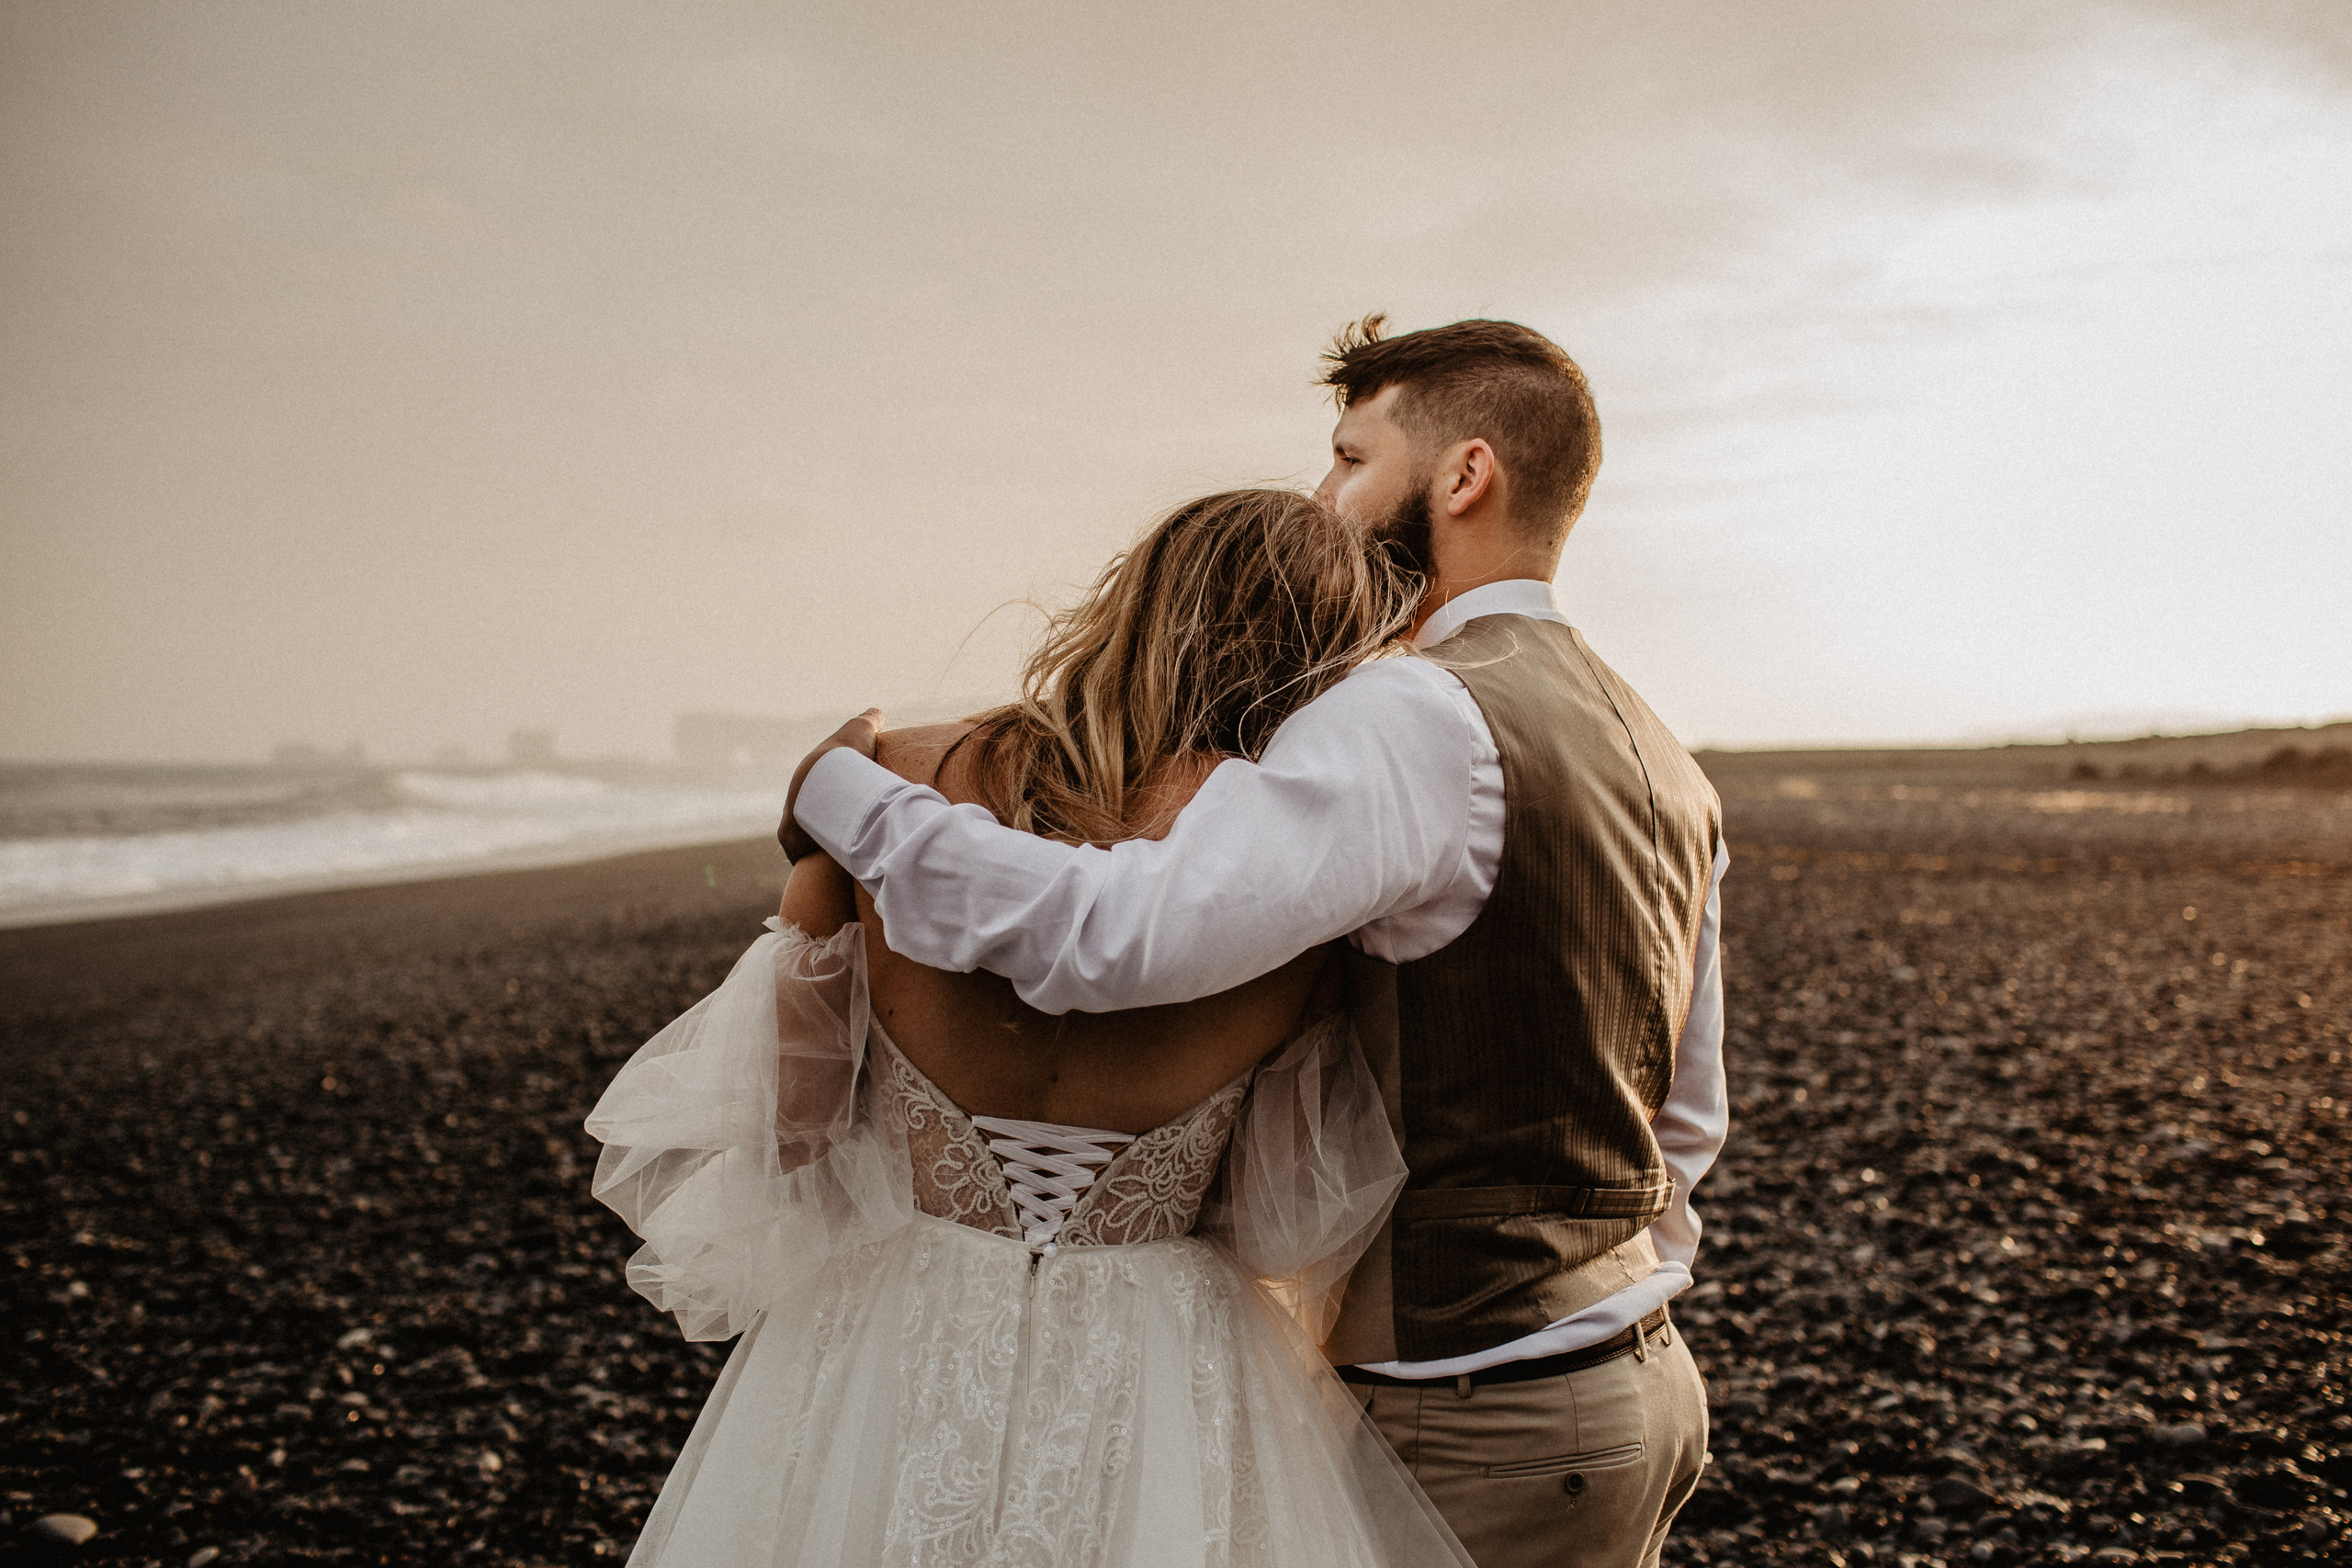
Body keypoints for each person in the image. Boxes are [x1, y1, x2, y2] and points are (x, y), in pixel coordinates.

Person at [784, 316, 1729, 1568]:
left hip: (1478, 1406)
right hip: (1639, 1380)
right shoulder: (1660, 747)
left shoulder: (1414, 711)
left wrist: (843, 799)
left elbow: (1117, 930)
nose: (1326, 497)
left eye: (1352, 457)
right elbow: (1685, 1119)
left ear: (1464, 476)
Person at [585, 489, 1477, 1568]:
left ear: (1134, 598)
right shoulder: (1286, 880)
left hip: (896, 1315)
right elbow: (1281, 1221)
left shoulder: (893, 775)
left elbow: (795, 1122)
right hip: (1154, 1346)